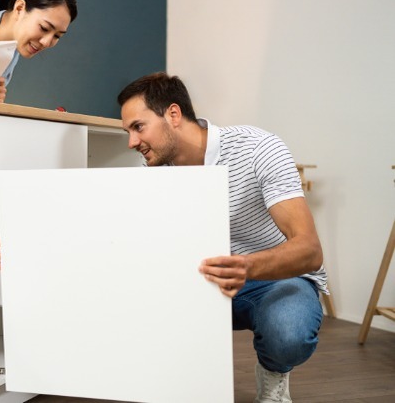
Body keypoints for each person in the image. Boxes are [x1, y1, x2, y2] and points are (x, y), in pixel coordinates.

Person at [117, 72, 327, 402]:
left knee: (288, 334)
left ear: (173, 115)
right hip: (200, 277)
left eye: (138, 127)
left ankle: (273, 374)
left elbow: (310, 251)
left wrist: (247, 267)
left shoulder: (259, 148)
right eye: (127, 131)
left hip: (273, 277)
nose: (131, 142)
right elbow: (118, 236)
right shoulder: (153, 172)